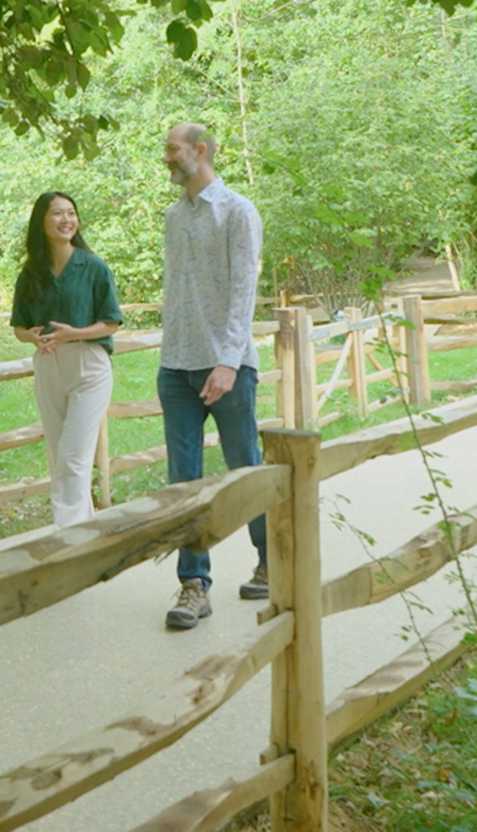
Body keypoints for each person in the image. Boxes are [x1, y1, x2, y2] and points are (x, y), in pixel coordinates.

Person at [158, 123, 268, 631]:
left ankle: (273, 561)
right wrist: (169, 357)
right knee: (183, 481)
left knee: (245, 469)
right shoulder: (173, 218)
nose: (166, 157)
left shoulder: (237, 212)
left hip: (225, 365)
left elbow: (244, 290)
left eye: (172, 149)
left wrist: (227, 361)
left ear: (198, 151)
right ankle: (194, 585)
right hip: (175, 365)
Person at [11, 191, 122, 527]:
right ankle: (81, 534)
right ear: (41, 222)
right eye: (57, 214)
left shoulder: (94, 267)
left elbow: (111, 322)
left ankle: (69, 540)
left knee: (73, 459)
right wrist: (32, 336)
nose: (66, 220)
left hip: (89, 365)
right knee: (59, 456)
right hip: (48, 366)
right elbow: (18, 326)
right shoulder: (31, 273)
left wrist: (71, 333)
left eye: (71, 213)